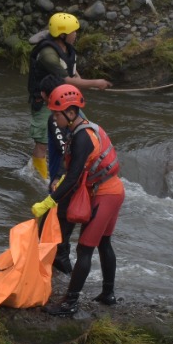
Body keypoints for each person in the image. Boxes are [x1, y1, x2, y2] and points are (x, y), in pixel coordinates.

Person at [30, 85, 124, 316]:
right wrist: (58, 181)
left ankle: (69, 303)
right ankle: (108, 294)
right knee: (104, 243)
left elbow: (73, 178)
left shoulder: (82, 137)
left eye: (56, 113)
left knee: (85, 249)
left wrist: (49, 201)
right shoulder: (84, 128)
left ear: (71, 113)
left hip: (105, 195)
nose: (54, 118)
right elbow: (71, 169)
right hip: (112, 191)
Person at [26, 12, 112, 182]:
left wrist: (82, 83)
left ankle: (81, 170)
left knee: (85, 131)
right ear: (63, 35)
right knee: (42, 143)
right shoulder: (47, 55)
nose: (76, 35)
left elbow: (71, 71)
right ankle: (40, 179)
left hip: (66, 100)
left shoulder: (67, 48)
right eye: (73, 32)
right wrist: (95, 82)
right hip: (44, 102)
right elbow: (65, 79)